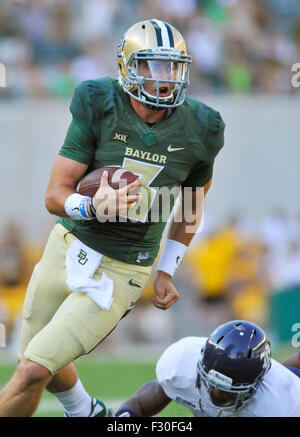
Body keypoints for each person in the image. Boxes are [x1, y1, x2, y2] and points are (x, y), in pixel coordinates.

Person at [0, 19, 225, 417]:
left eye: (172, 67)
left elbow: (191, 206)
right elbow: (54, 195)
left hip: (123, 268)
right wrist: (90, 206)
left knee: (34, 369)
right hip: (66, 245)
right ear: (127, 67)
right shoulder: (99, 101)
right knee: (34, 364)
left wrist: (167, 270)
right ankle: (86, 411)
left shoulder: (201, 127)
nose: (164, 79)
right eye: (152, 67)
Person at [114, 320, 300, 417]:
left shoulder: (280, 406)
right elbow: (140, 403)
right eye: (211, 383)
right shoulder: (181, 364)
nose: (216, 393)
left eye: (228, 391)